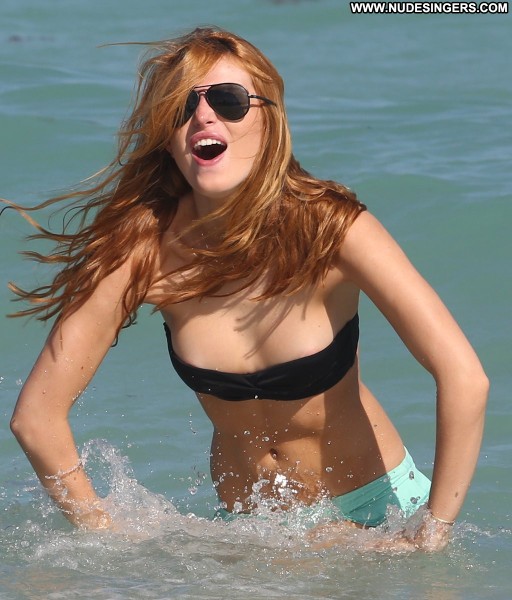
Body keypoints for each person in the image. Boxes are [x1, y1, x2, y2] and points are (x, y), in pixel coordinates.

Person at [6, 26, 488, 551]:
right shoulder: (143, 253)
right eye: (180, 107)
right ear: (167, 137)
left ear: (270, 119)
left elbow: (464, 378)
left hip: (376, 518)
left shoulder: (333, 231)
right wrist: (105, 533)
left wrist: (432, 531)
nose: (203, 117)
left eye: (228, 100)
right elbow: (37, 417)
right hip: (248, 536)